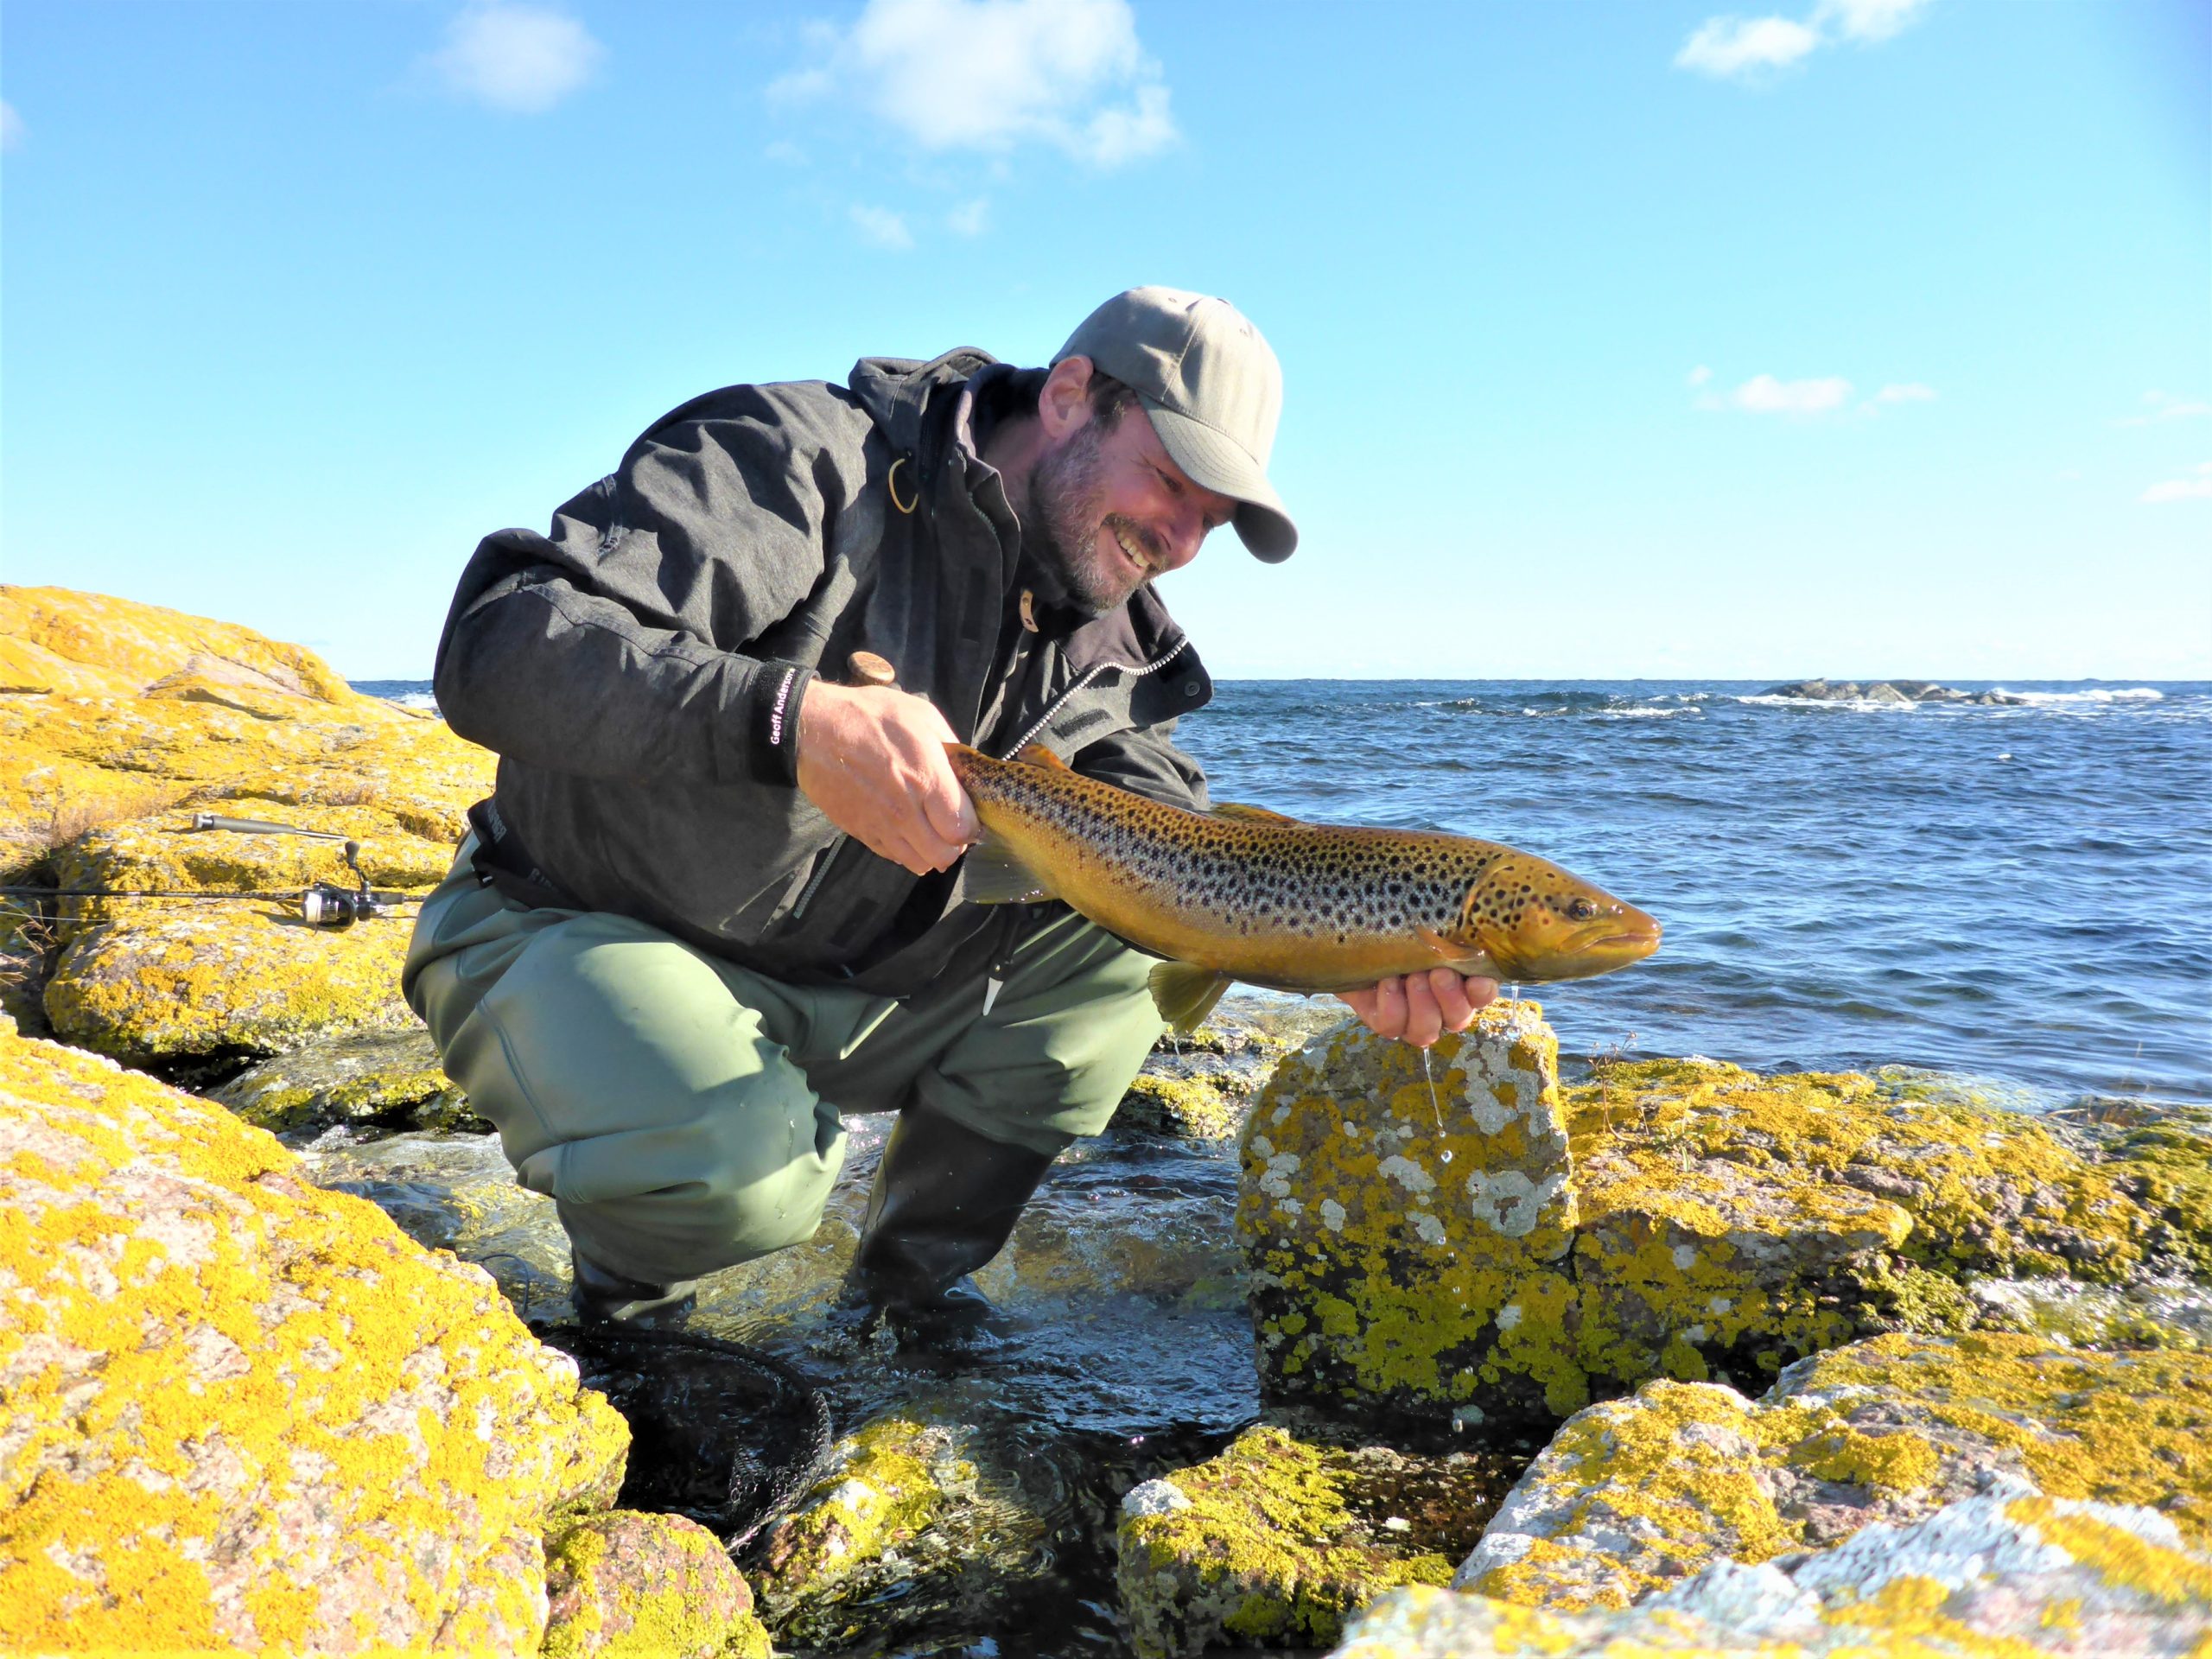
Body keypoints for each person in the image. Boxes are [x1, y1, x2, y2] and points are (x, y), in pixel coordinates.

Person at [403, 287, 1497, 1330]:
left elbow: (1181, 847)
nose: (1181, 541)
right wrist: (789, 721)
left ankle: (905, 1300)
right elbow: (500, 644)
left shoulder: (1118, 643)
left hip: (858, 984)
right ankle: (631, 1311)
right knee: (744, 1189)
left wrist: (1336, 954)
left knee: (1118, 944)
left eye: (1211, 520)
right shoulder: (797, 460)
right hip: (578, 923)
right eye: (1170, 482)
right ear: (1071, 394)